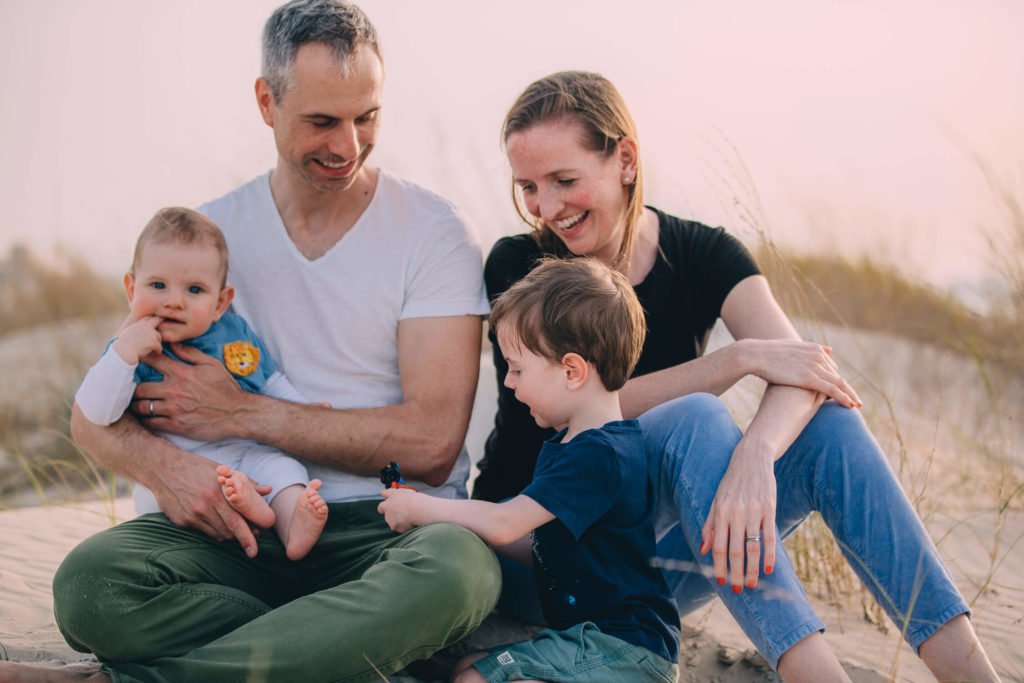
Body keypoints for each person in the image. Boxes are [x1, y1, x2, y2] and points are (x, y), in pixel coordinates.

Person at [0, 2, 500, 682]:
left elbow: (434, 443)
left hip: (382, 531)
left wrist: (240, 413)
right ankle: (346, 646)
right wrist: (169, 470)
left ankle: (122, 680)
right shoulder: (204, 239)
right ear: (267, 101)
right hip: (235, 537)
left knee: (460, 571)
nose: (347, 145)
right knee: (89, 585)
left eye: (367, 116)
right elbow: (96, 416)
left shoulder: (435, 232)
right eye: (322, 120)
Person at [474, 70, 1000, 682]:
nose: (547, 207)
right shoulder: (524, 267)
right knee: (696, 415)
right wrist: (728, 363)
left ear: (625, 159)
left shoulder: (703, 253)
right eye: (529, 187)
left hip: (638, 578)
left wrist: (755, 454)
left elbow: (807, 371)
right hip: (537, 558)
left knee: (829, 425)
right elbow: (568, 411)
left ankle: (971, 675)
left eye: (564, 180)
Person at [380, 257, 680, 683]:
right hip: (592, 640)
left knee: (474, 680)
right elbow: (537, 541)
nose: (508, 382)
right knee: (465, 666)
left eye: (517, 369)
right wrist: (458, 528)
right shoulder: (572, 446)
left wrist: (419, 507)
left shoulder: (599, 455)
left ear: (572, 371)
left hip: (625, 649)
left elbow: (505, 523)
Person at [75, 207, 329, 561]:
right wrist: (124, 354)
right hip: (178, 462)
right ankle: (240, 510)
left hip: (244, 452)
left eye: (194, 289)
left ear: (220, 303)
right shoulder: (129, 347)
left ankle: (290, 524)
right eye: (157, 285)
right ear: (132, 288)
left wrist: (304, 409)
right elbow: (96, 412)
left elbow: (269, 380)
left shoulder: (233, 336)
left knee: (284, 470)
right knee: (149, 499)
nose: (174, 301)